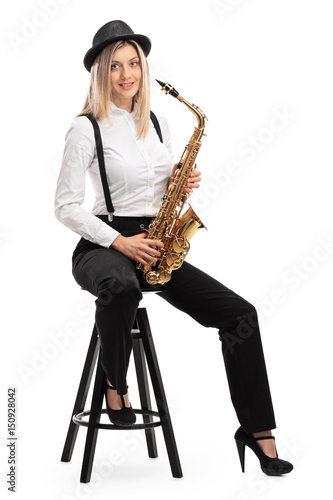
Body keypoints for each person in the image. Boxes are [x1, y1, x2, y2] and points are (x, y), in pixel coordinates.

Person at [54, 20, 293, 476]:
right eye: (116, 66)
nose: (127, 75)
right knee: (121, 287)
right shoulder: (85, 129)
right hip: (103, 244)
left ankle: (258, 432)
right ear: (101, 73)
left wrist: (181, 184)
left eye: (134, 65)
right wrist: (120, 241)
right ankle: (115, 384)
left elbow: (158, 185)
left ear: (143, 68)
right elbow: (64, 206)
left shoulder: (157, 121)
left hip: (157, 243)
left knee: (240, 315)